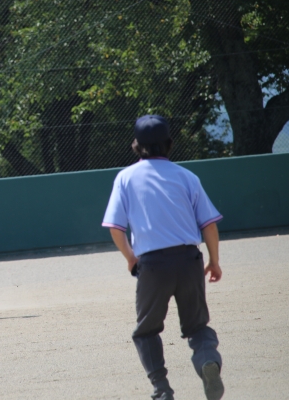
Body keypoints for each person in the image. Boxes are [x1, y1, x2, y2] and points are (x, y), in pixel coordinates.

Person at [101, 115, 225, 400]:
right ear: (169, 143)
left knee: (146, 332)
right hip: (189, 260)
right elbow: (209, 225)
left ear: (135, 145)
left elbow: (116, 228)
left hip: (152, 265)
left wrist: (130, 258)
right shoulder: (187, 176)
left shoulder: (125, 178)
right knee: (197, 326)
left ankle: (162, 390)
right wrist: (214, 261)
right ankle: (208, 360)